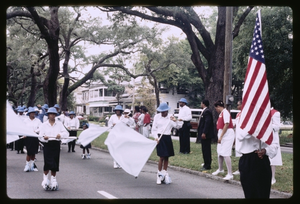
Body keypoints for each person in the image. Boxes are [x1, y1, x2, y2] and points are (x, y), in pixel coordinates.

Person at [236, 111, 279, 198]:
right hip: (247, 160)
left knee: (263, 194)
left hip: (262, 160)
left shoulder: (267, 122)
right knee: (249, 195)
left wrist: (266, 150)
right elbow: (241, 136)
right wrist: (256, 125)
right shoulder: (242, 118)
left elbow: (275, 145)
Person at [39, 107, 69, 191]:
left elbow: (66, 133)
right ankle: (45, 179)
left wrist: (60, 135)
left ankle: (53, 180)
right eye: (50, 114)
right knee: (48, 163)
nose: (52, 116)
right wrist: (44, 138)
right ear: (48, 115)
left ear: (55, 115)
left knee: (55, 163)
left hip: (56, 144)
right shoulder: (44, 125)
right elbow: (40, 136)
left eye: (54, 114)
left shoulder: (59, 124)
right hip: (47, 145)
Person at [151, 102, 181, 185]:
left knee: (167, 157)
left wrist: (176, 121)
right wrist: (156, 137)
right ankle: (159, 174)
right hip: (160, 137)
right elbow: (154, 129)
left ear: (167, 111)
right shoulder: (157, 117)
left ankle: (164, 173)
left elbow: (178, 127)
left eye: (164, 111)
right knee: (161, 156)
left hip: (167, 137)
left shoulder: (170, 117)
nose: (162, 113)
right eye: (161, 111)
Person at [212, 100, 235, 180]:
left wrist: (221, 136)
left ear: (218, 107)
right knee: (220, 152)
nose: (216, 110)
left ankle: (230, 173)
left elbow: (227, 124)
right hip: (222, 132)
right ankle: (220, 169)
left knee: (226, 153)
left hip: (227, 134)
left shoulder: (225, 112)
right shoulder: (221, 114)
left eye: (216, 108)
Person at [23, 107, 42, 172]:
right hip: (28, 137)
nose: (32, 114)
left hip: (35, 137)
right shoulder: (25, 121)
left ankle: (32, 165)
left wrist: (35, 131)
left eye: (33, 112)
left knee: (34, 152)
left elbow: (41, 128)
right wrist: (24, 134)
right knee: (29, 152)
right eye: (31, 113)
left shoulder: (38, 121)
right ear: (29, 113)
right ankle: (27, 165)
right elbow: (23, 128)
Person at [197, 99, 214, 171]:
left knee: (206, 149)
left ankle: (207, 164)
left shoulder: (207, 112)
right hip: (203, 133)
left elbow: (207, 122)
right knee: (204, 149)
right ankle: (205, 162)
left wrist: (204, 132)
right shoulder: (204, 111)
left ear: (203, 103)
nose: (201, 104)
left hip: (206, 134)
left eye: (201, 103)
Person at [269, 104, 282, 185]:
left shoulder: (275, 113)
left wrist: (267, 126)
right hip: (264, 137)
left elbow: (277, 127)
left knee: (273, 158)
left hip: (273, 137)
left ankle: (272, 177)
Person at [232, 100, 243, 175]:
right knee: (239, 152)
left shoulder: (245, 113)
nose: (237, 106)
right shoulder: (238, 114)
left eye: (238, 105)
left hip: (243, 135)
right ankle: (239, 168)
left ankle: (241, 169)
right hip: (238, 134)